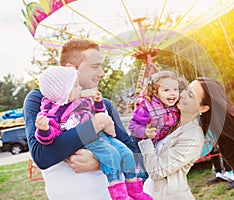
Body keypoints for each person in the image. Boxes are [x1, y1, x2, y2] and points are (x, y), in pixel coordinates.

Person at [138, 76, 234, 200]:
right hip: (151, 192)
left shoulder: (192, 138)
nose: (182, 95)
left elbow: (157, 170)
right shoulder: (172, 120)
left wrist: (144, 138)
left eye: (190, 95)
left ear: (203, 108)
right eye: (185, 90)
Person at [23, 38, 139, 200]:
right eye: (95, 66)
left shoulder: (103, 105)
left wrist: (98, 162)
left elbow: (136, 156)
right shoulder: (41, 101)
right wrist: (96, 123)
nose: (102, 73)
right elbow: (42, 156)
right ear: (71, 69)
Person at [34, 66, 152, 200]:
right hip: (87, 140)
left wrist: (98, 102)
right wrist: (43, 130)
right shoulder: (53, 112)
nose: (80, 88)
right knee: (111, 155)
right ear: (63, 92)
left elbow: (98, 113)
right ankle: (119, 194)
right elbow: (49, 138)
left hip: (102, 136)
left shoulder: (83, 100)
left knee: (127, 153)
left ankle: (134, 189)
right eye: (76, 86)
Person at [128, 70, 186, 181]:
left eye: (175, 89)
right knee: (147, 174)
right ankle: (131, 182)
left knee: (157, 170)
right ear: (156, 92)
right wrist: (144, 131)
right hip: (139, 143)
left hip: (156, 143)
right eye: (166, 90)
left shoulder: (175, 106)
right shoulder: (147, 106)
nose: (172, 93)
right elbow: (132, 126)